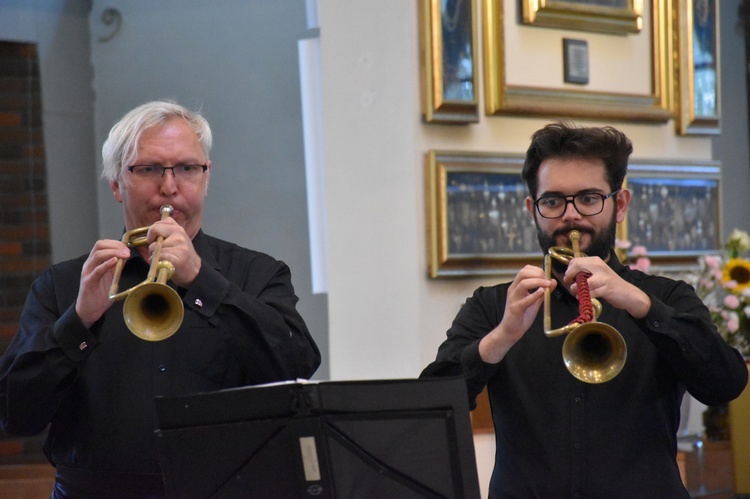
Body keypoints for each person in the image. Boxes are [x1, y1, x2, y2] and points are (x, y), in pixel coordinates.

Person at [0, 100, 321, 497]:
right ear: (117, 184)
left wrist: (204, 283)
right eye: (149, 169)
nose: (169, 186)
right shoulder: (62, 284)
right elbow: (15, 414)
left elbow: (298, 366)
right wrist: (79, 321)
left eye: (187, 168)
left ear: (206, 179)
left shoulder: (257, 274)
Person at [421, 122, 748, 497]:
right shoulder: (493, 306)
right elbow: (431, 407)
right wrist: (501, 338)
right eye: (553, 201)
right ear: (533, 210)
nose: (571, 216)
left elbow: (726, 383)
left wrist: (642, 306)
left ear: (619, 205)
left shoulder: (667, 297)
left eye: (589, 198)